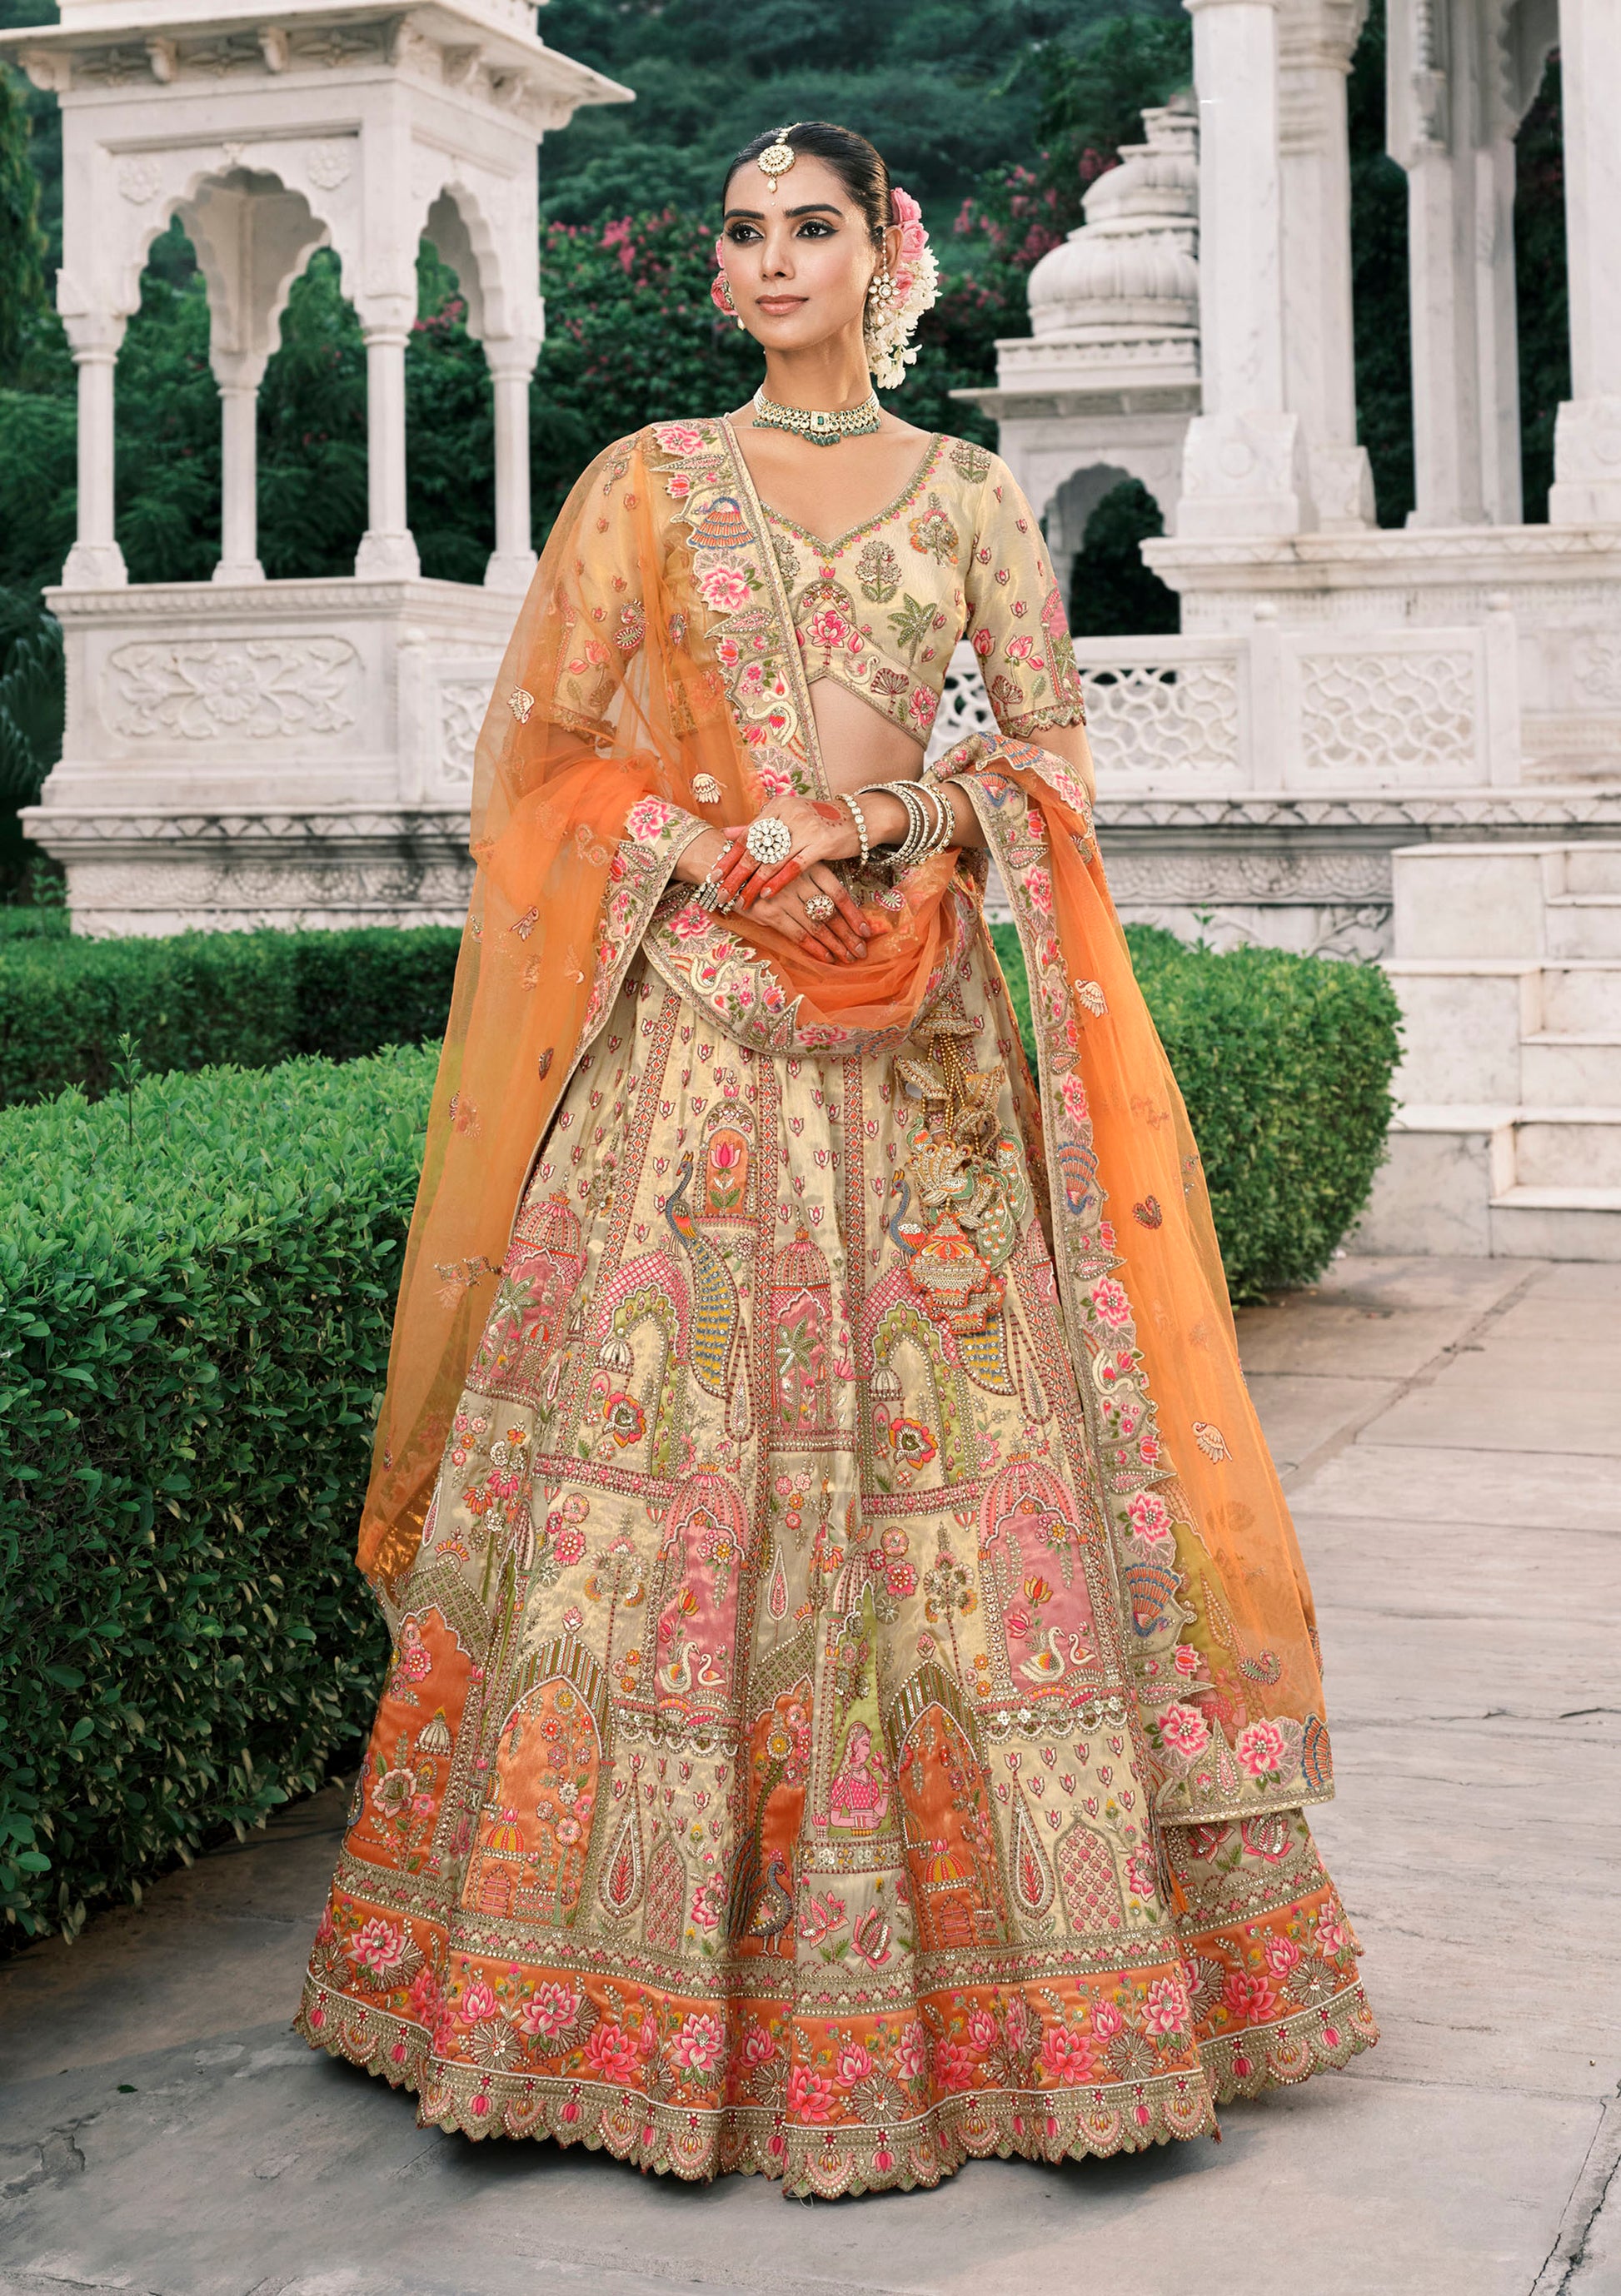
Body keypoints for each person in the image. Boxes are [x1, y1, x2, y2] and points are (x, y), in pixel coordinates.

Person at [297, 120, 1375, 2197]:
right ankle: (573, 1985)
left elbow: (1052, 756)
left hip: (927, 1064)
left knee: (971, 1507)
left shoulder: (973, 496)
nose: (769, 258)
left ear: (888, 254)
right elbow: (543, 754)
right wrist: (697, 841)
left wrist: (889, 826)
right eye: (742, 231)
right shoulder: (647, 487)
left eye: (812, 227)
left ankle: (1022, 1999)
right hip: (695, 1051)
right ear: (717, 272)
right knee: (658, 1487)